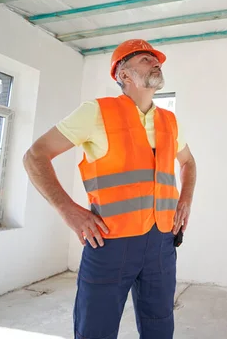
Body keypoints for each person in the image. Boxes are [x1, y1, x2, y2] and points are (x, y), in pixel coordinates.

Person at [23, 39, 197, 339]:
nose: (156, 62)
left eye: (156, 59)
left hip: (161, 244)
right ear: (124, 75)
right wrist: (69, 211)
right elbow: (34, 157)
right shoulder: (96, 112)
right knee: (96, 329)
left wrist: (185, 202)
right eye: (145, 59)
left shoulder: (169, 121)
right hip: (110, 243)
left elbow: (188, 163)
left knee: (160, 325)